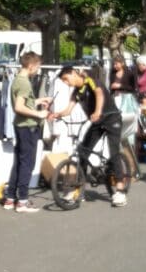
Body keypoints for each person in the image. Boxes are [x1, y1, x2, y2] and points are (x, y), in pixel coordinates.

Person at [52, 66, 130, 206]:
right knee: (82, 152)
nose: (66, 83)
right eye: (63, 81)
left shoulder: (91, 81)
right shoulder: (76, 92)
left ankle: (120, 191)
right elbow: (68, 109)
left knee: (113, 152)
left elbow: (99, 94)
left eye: (66, 79)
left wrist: (98, 111)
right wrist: (56, 114)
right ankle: (78, 189)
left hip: (111, 118)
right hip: (97, 122)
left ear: (74, 73)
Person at [3, 51, 50, 213]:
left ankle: (10, 198)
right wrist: (39, 113)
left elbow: (23, 102)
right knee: (27, 164)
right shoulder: (24, 83)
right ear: (31, 66)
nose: (38, 70)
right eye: (37, 66)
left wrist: (37, 101)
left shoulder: (17, 80)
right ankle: (22, 201)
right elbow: (19, 107)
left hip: (20, 126)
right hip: (27, 127)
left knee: (19, 162)